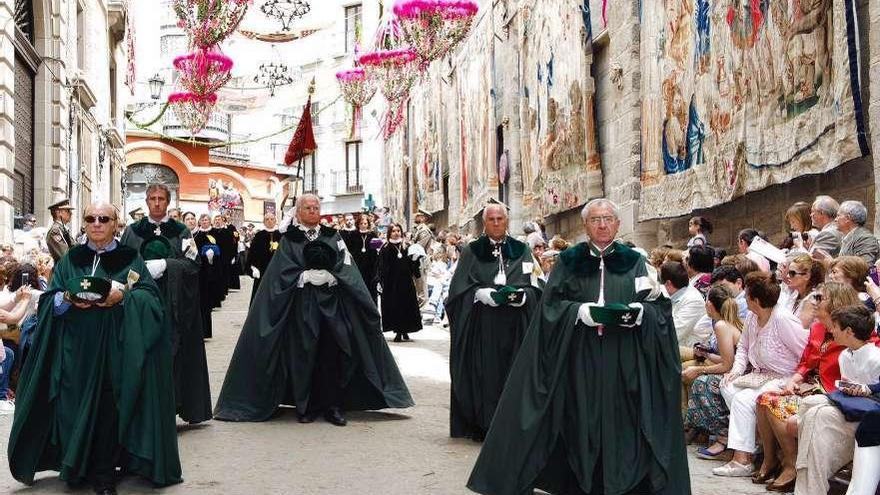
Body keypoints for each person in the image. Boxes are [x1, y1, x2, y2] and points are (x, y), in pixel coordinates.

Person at [467, 198, 691, 494]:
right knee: (580, 417)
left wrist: (640, 314)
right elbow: (549, 306)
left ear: (617, 224)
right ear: (585, 225)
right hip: (579, 354)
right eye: (595, 219)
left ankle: (619, 480)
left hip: (621, 355)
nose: (602, 224)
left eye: (608, 219)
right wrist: (576, 312)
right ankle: (580, 479)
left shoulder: (635, 261)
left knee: (621, 418)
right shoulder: (570, 261)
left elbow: (657, 307)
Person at [7, 201, 181, 493]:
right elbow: (49, 300)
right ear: (84, 223)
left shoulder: (130, 259)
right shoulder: (71, 260)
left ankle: (103, 474)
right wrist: (67, 300)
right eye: (91, 218)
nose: (97, 223)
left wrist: (123, 297)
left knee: (108, 407)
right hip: (76, 351)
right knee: (72, 407)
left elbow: (151, 298)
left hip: (117, 347)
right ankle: (77, 465)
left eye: (104, 218)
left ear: (115, 224)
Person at [213, 194, 414, 426]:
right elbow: (280, 272)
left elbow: (346, 263)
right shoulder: (289, 239)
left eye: (316, 207)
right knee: (302, 354)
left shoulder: (333, 236)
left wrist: (334, 276)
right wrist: (301, 276)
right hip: (301, 307)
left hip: (332, 306)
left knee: (333, 353)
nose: (312, 211)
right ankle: (305, 405)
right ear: (298, 212)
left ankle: (333, 405)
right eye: (307, 207)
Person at [447, 202, 542, 442]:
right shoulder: (472, 251)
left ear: (507, 221)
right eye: (492, 219)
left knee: (514, 374)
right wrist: (478, 294)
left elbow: (536, 285)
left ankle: (510, 425)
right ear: (484, 223)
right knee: (485, 375)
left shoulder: (521, 249)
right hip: (483, 326)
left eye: (500, 218)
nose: (497, 223)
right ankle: (485, 424)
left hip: (515, 325)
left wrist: (525, 297)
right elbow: (457, 291)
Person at [752, 282, 858, 490]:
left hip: (831, 392)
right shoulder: (817, 328)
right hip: (810, 385)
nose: (814, 302)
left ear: (836, 302)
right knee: (763, 399)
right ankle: (771, 460)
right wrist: (795, 380)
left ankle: (791, 466)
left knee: (774, 405)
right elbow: (805, 362)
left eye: (821, 298)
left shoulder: (849, 332)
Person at [120, 184, 212, 424]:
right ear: (147, 201)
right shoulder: (132, 232)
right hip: (141, 301)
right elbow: (121, 265)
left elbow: (193, 264)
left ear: (168, 202)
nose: (157, 203)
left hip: (174, 305)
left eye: (162, 198)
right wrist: (138, 274)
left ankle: (170, 407)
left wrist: (167, 266)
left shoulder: (181, 232)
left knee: (172, 353)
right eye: (153, 198)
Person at [712, 272, 808, 477]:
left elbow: (804, 352)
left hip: (783, 376)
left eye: (747, 295)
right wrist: (736, 371)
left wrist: (797, 378)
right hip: (758, 374)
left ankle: (742, 458)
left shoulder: (782, 319)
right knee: (727, 385)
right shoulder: (752, 318)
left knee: (742, 400)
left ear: (755, 300)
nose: (745, 299)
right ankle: (755, 441)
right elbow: (744, 349)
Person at [684, 285, 743, 460]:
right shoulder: (724, 323)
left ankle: (722, 437)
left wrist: (700, 370)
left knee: (702, 383)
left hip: (735, 374)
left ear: (710, 304)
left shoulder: (722, 326)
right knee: (690, 373)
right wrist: (707, 354)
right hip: (733, 369)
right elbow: (726, 358)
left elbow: (727, 364)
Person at [378, 223, 423, 342]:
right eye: (393, 231)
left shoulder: (407, 246)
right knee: (395, 306)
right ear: (389, 233)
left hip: (405, 282)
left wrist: (414, 260)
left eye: (398, 230)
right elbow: (382, 266)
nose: (396, 233)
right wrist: (381, 280)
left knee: (406, 306)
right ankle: (398, 331)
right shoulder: (385, 248)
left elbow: (412, 265)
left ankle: (405, 330)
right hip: (392, 283)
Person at [660, 261, 708, 358]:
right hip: (674, 345)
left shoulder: (693, 301)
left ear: (668, 283)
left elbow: (675, 333)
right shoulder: (676, 292)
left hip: (689, 349)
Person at [192, 214, 224, 338]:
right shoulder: (183, 235)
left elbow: (215, 251)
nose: (204, 222)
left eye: (192, 219)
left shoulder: (206, 236)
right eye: (203, 220)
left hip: (204, 271)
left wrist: (211, 256)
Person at [341, 213, 380, 304]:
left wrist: (377, 269)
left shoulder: (373, 235)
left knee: (371, 290)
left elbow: (377, 253)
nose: (363, 225)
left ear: (368, 224)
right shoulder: (353, 235)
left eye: (365, 223)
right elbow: (349, 252)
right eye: (361, 223)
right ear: (358, 224)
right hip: (357, 267)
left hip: (370, 268)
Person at [246, 212, 281, 304]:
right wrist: (253, 267)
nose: (269, 221)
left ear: (275, 221)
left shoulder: (280, 235)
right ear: (264, 222)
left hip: (277, 271)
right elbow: (252, 253)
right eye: (267, 219)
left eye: (272, 219)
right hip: (262, 271)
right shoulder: (259, 235)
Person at [782, 253, 825, 328]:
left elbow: (800, 331)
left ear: (806, 276)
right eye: (788, 272)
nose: (788, 276)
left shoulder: (813, 299)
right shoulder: (796, 293)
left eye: (792, 273)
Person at [836, 200, 880, 265]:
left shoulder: (865, 239)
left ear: (848, 218)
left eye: (838, 215)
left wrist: (831, 262)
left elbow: (864, 268)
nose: (835, 219)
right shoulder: (846, 237)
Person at [411, 209, 434, 306]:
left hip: (420, 261)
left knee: (421, 289)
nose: (415, 216)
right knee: (417, 287)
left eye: (418, 215)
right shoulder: (418, 229)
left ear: (423, 218)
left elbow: (418, 247)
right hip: (416, 260)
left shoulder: (424, 231)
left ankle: (423, 310)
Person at [45, 198, 76, 263]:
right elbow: (65, 255)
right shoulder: (55, 231)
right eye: (68, 211)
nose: (71, 213)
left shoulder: (62, 229)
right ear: (59, 213)